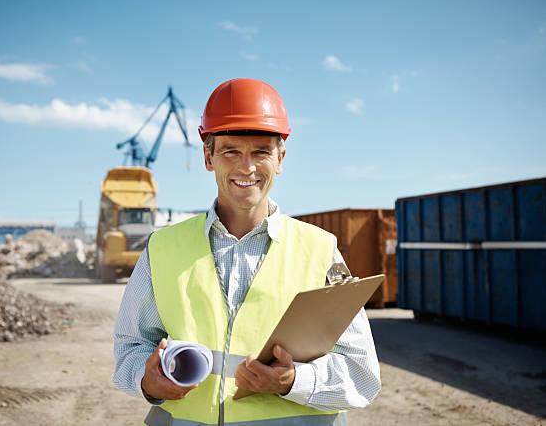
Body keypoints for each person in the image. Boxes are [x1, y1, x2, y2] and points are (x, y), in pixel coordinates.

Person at [113, 78, 381, 426]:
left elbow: (361, 373)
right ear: (208, 157)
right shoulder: (163, 248)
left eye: (260, 152)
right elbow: (130, 349)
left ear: (280, 158)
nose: (246, 167)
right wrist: (147, 380)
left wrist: (293, 381)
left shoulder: (319, 249)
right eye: (230, 151)